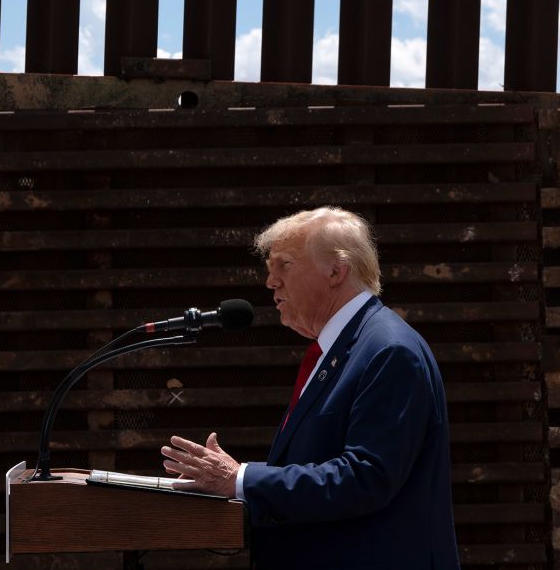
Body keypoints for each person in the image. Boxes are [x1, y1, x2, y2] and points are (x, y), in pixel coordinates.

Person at [161, 207, 460, 569]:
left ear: (336, 270)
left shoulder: (388, 350)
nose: (270, 282)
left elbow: (366, 477)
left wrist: (240, 478)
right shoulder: (341, 347)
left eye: (284, 265)